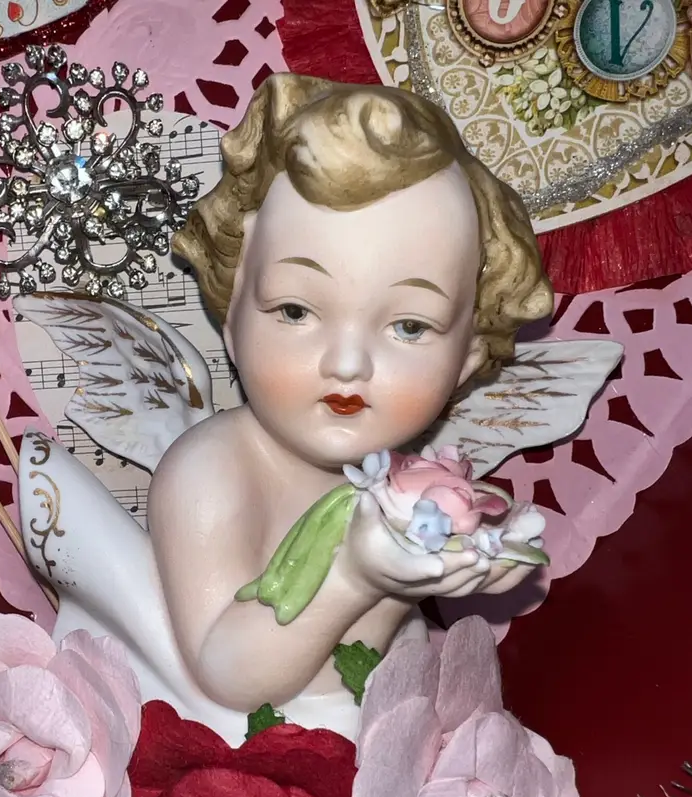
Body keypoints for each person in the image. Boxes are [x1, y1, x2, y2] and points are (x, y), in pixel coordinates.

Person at [145, 73, 554, 714]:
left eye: (409, 326)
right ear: (233, 312)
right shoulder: (209, 473)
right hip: (243, 749)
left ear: (468, 356)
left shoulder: (403, 480)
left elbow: (367, 654)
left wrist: (456, 556)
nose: (346, 363)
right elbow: (228, 677)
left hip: (379, 732)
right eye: (295, 311)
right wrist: (354, 578)